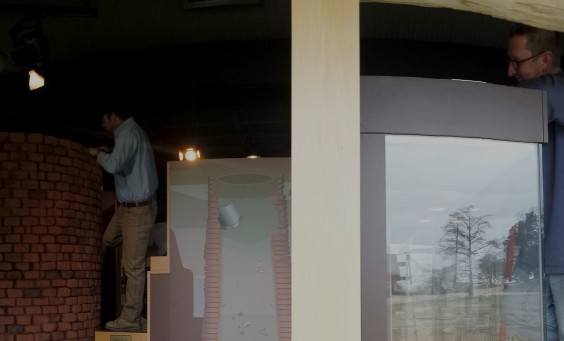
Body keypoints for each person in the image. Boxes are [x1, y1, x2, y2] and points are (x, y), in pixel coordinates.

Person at [507, 23, 564, 340]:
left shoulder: (555, 90)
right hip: (538, 249)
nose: (510, 70)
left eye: (517, 61)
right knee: (518, 317)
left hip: (559, 253)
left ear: (545, 59)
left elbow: (502, 104)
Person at [89, 110, 158, 332]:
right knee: (106, 240)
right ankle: (93, 291)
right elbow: (123, 159)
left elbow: (113, 166)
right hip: (127, 209)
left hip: (137, 209)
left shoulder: (128, 133)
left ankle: (131, 319)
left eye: (103, 118)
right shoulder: (130, 134)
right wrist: (108, 151)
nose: (102, 123)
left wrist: (96, 155)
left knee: (133, 267)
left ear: (113, 116)